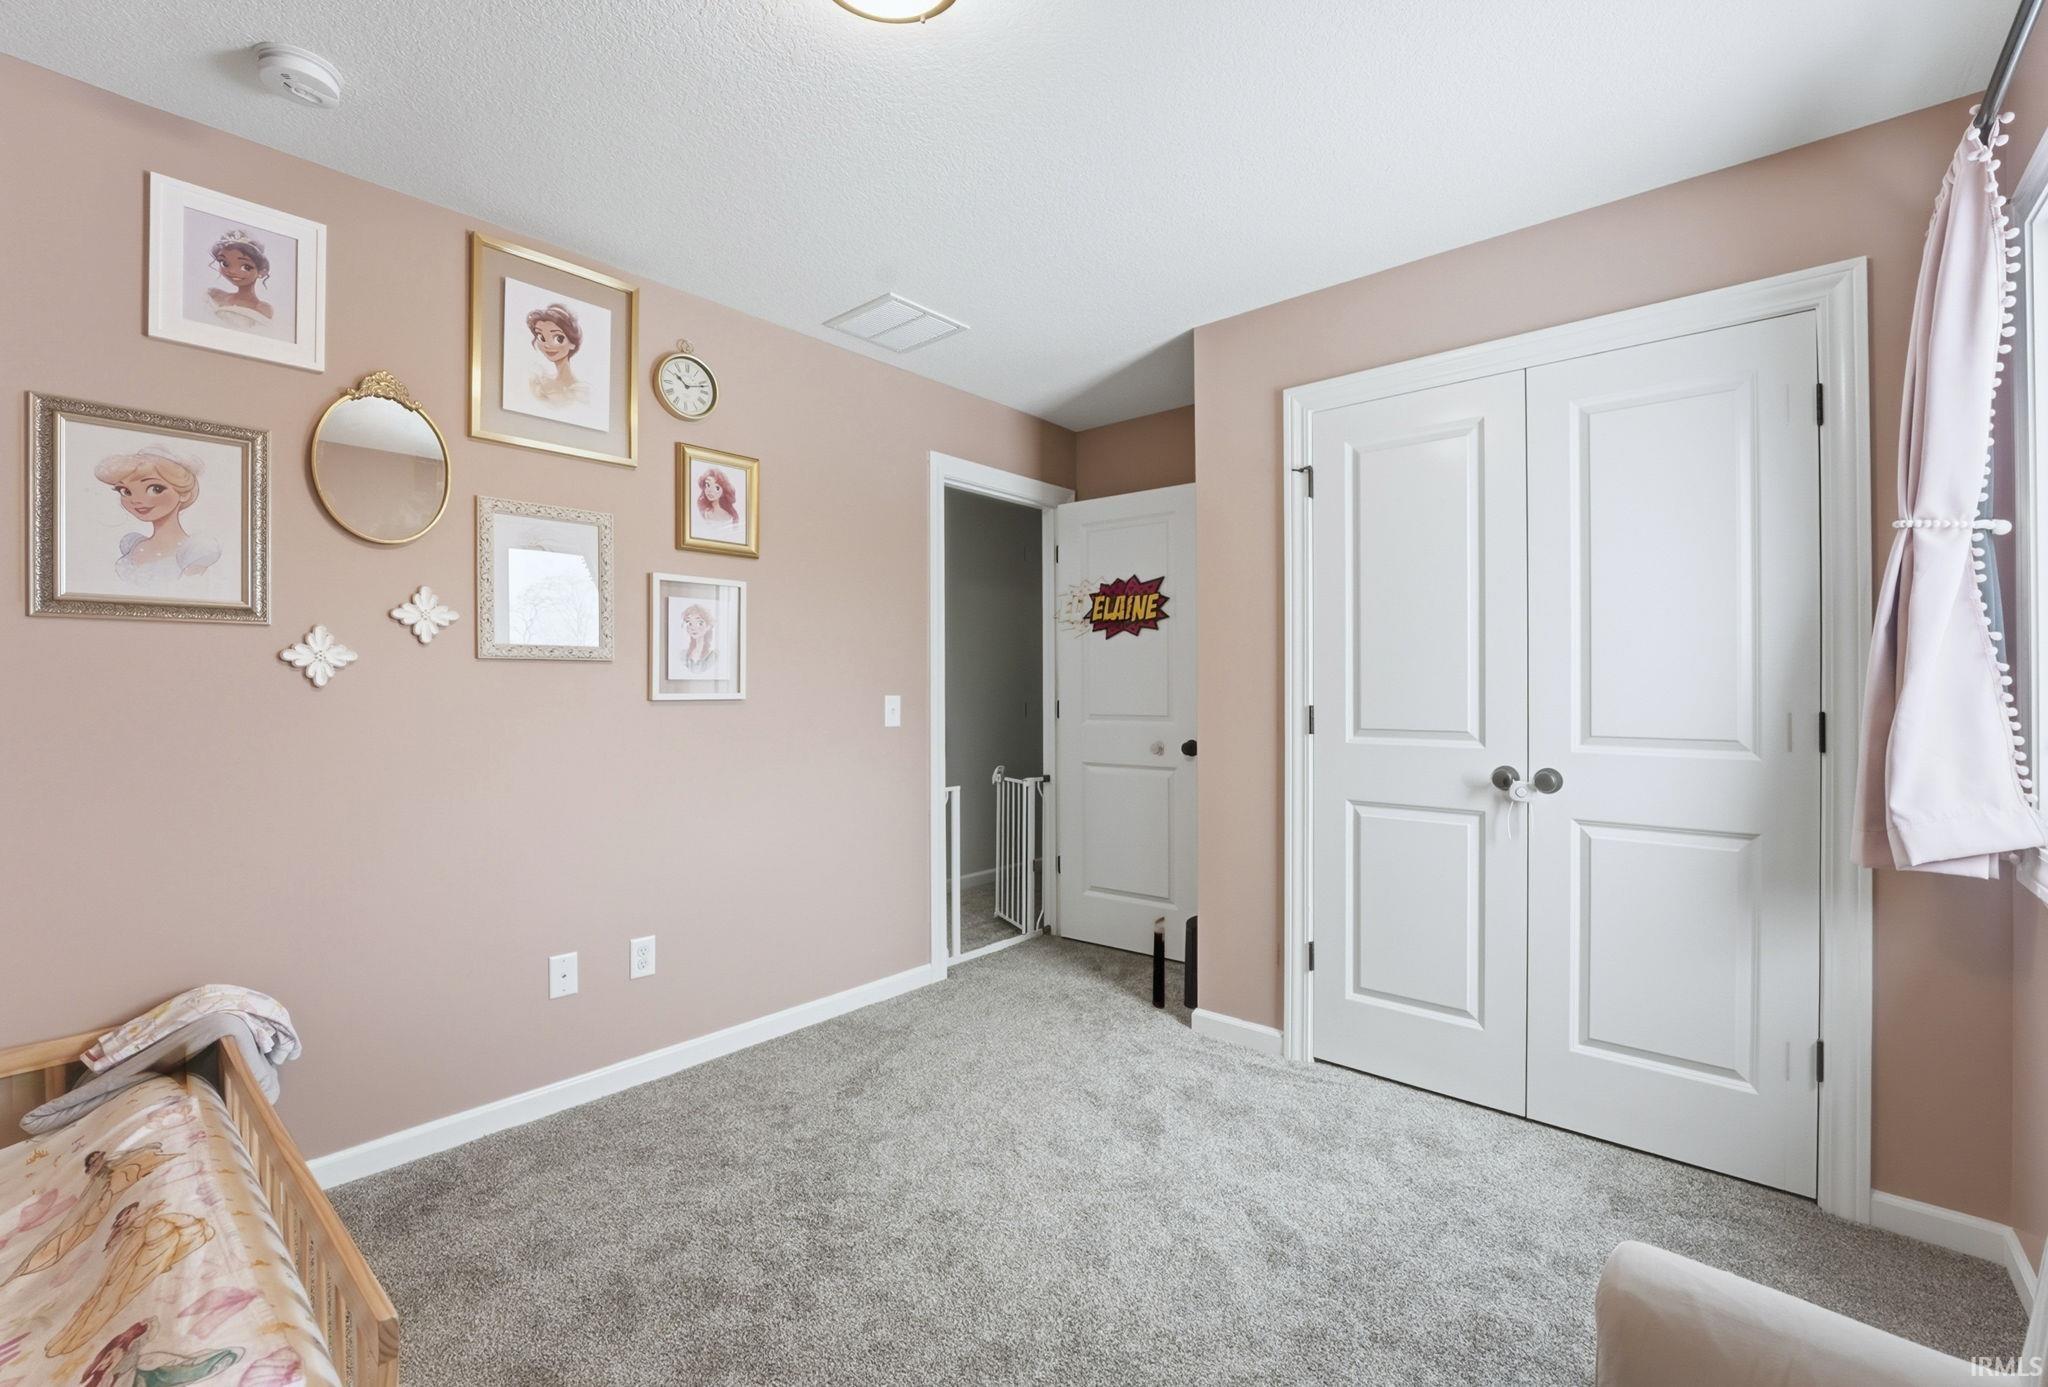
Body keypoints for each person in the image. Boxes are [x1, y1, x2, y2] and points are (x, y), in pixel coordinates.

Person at [95, 447, 222, 588]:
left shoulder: (196, 550)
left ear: (183, 493)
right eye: (126, 491)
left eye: (155, 489)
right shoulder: (132, 543)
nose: (136, 500)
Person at [203, 230, 273, 332]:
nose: (232, 271)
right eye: (225, 263)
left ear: (262, 272)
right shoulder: (213, 294)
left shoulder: (263, 308)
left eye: (246, 267)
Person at [523, 303, 588, 410]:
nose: (547, 345)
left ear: (572, 343)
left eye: (558, 338)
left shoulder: (580, 393)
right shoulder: (539, 381)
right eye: (541, 337)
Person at [693, 465, 744, 543]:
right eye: (708, 485)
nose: (710, 491)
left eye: (716, 488)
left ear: (724, 491)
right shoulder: (704, 513)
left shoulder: (730, 518)